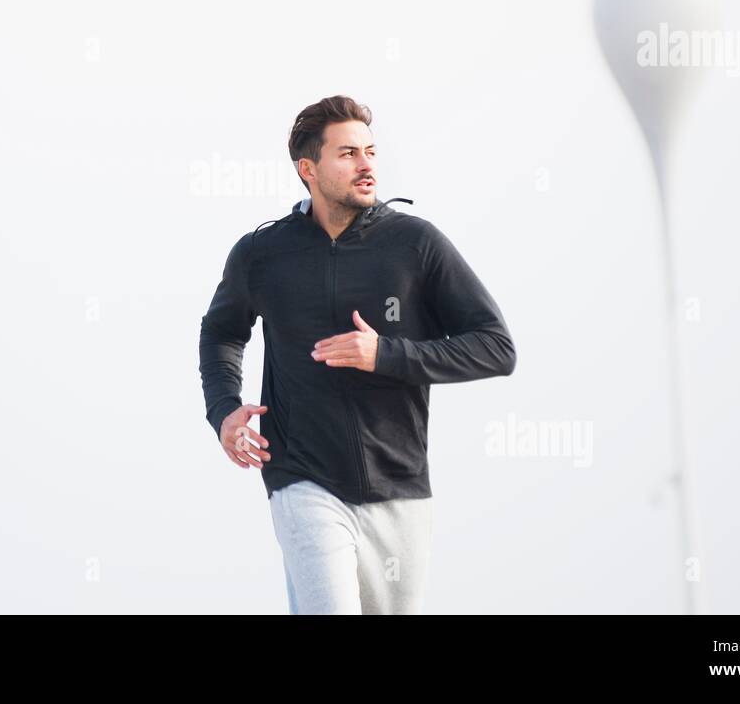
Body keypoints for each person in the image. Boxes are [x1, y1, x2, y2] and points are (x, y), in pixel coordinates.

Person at [198, 95, 517, 614]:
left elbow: (495, 347)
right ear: (309, 169)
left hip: (400, 486)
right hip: (303, 478)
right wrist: (223, 409)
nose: (366, 164)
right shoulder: (262, 254)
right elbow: (221, 333)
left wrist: (385, 355)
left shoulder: (416, 244)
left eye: (370, 151)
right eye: (347, 154)